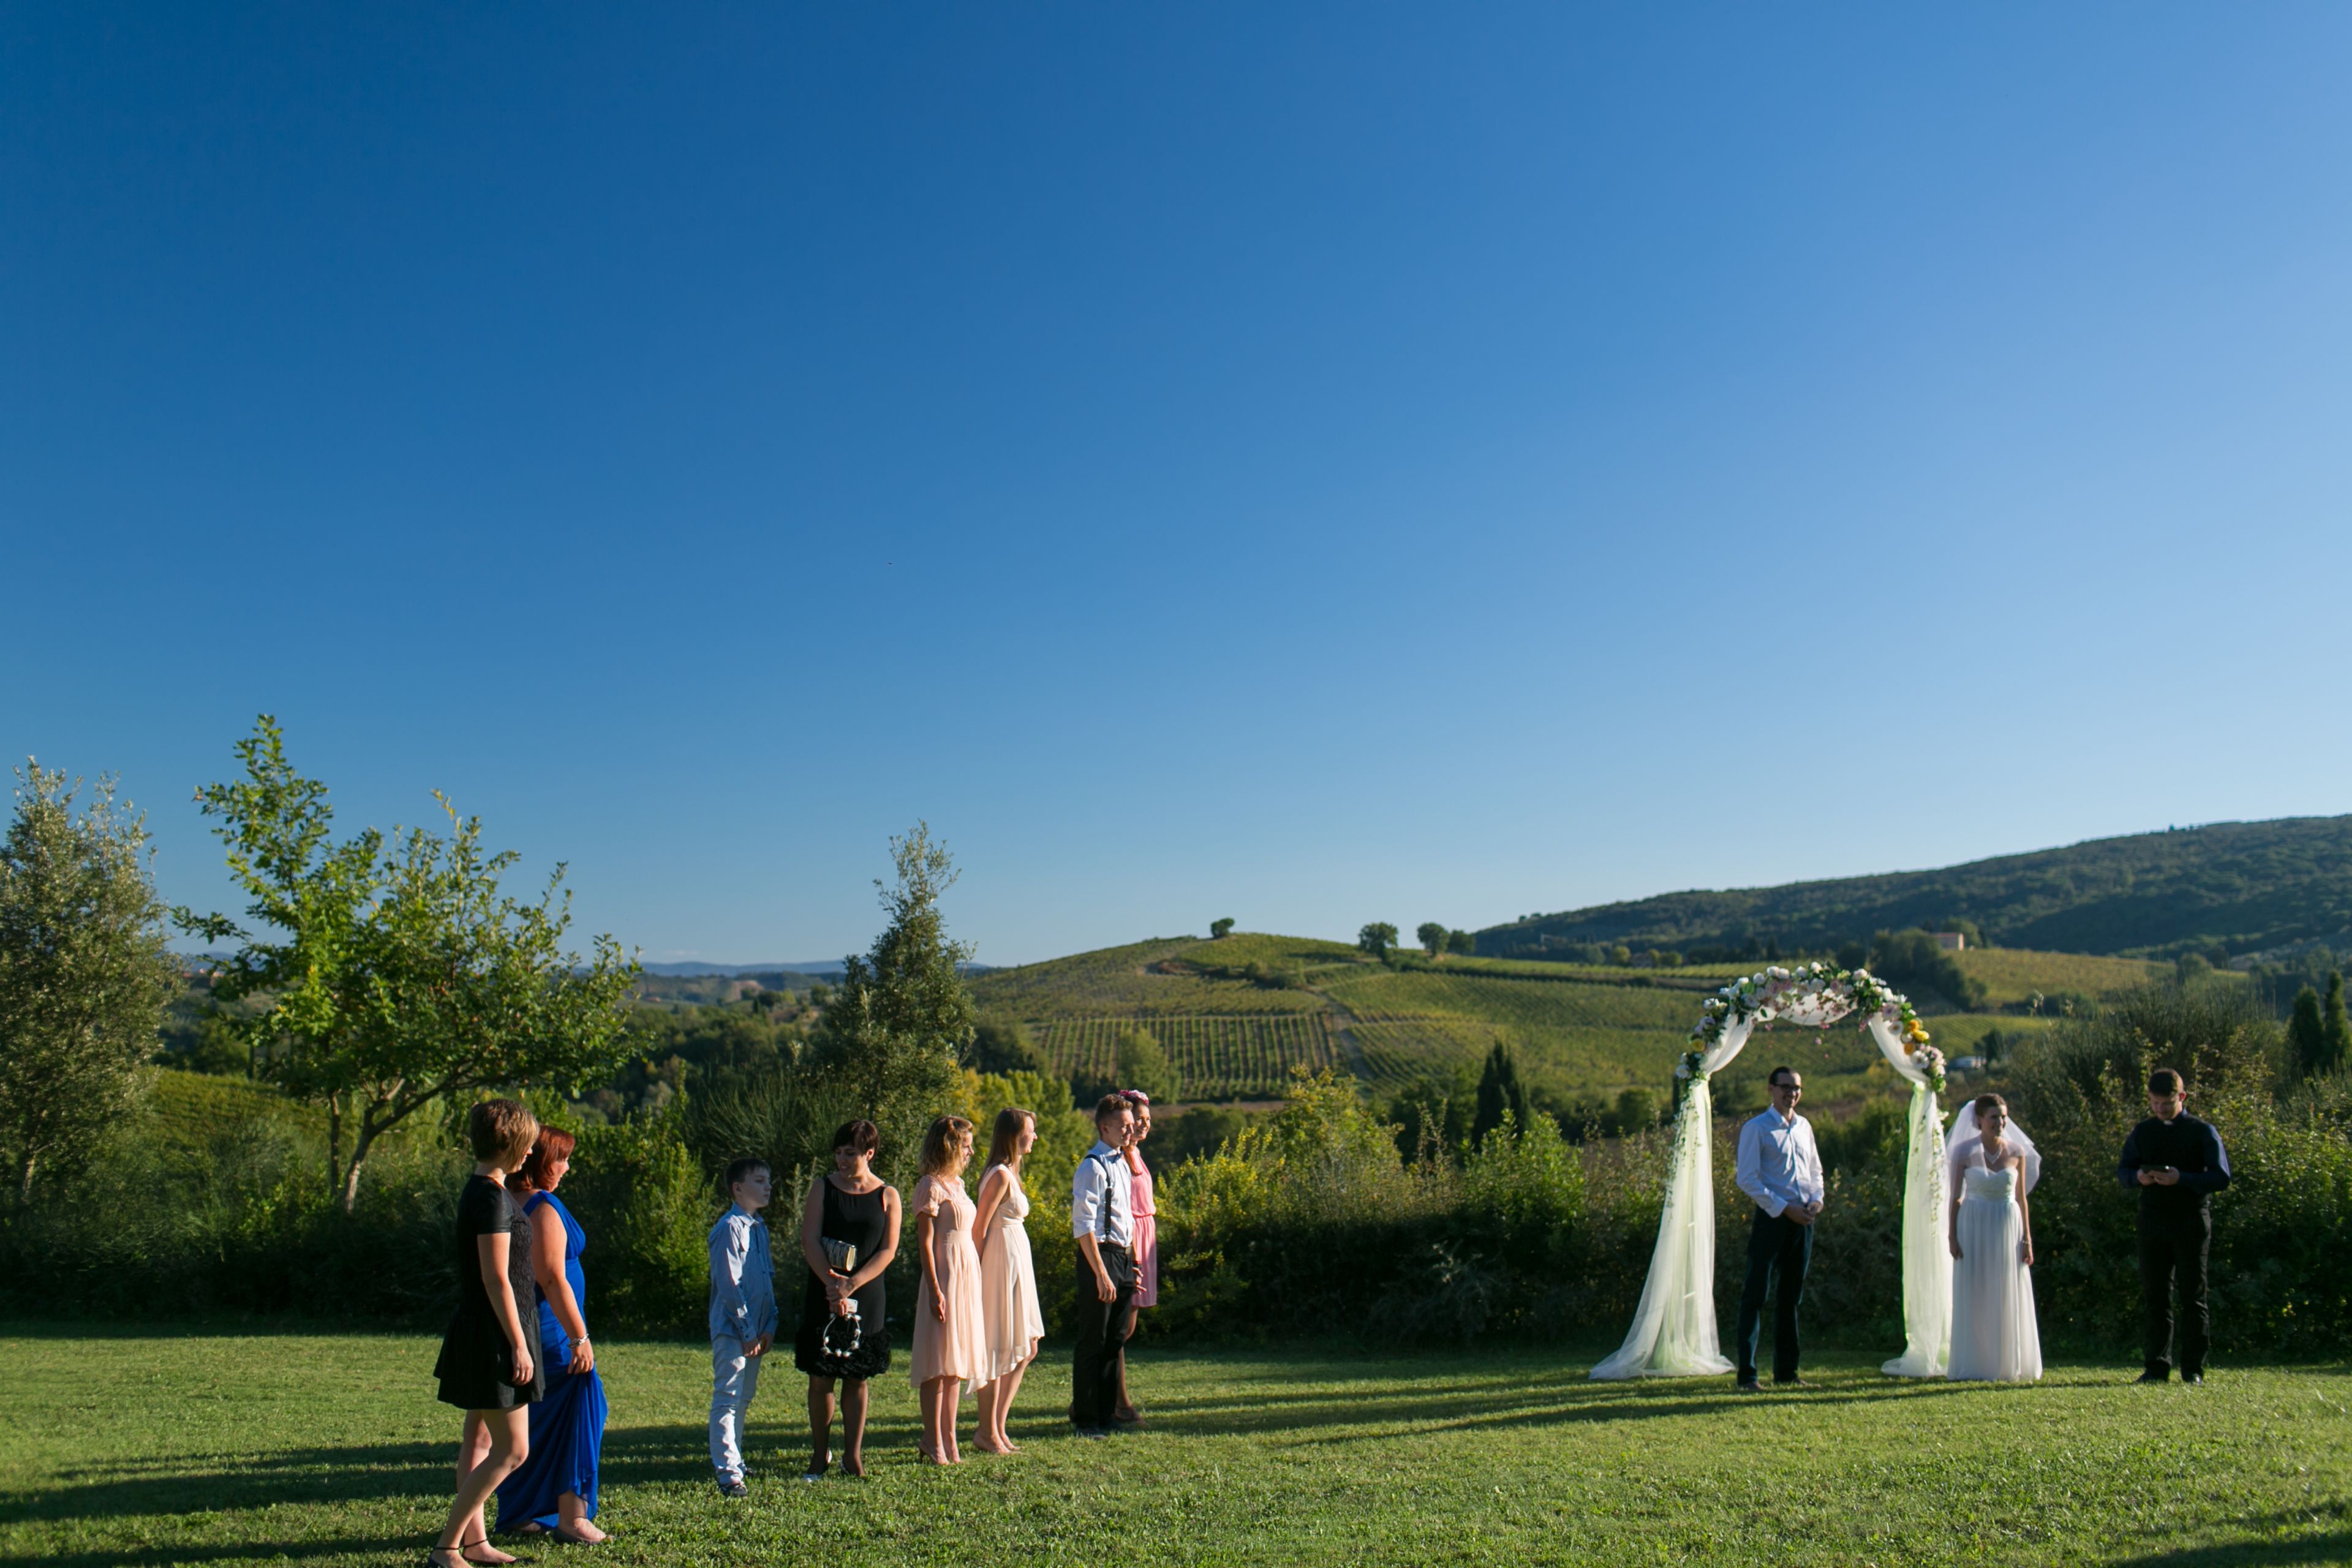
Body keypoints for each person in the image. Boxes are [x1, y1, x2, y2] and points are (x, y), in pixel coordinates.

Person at [428, 1099, 544, 1568]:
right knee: (513, 1450)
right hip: (495, 1335)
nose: (530, 1155)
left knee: (477, 1440)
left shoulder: (480, 1189)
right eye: (528, 1146)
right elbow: (497, 1278)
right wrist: (518, 1343)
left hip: (482, 1329)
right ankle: (446, 1548)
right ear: (512, 1145)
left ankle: (475, 1544)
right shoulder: (492, 1198)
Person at [493, 1128, 610, 1542]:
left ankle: (521, 1512)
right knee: (584, 1406)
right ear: (544, 1162)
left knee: (537, 1421)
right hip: (553, 1331)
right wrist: (580, 1337)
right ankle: (573, 1518)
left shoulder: (506, 1201)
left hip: (532, 1329)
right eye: (562, 1159)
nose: (567, 1167)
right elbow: (552, 1277)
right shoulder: (543, 1206)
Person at [792, 1118, 900, 1480]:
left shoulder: (889, 1196)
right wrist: (833, 1285)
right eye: (838, 1152)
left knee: (858, 1378)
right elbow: (810, 1240)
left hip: (867, 1295)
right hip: (824, 1289)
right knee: (821, 1376)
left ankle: (852, 1457)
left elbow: (888, 1251)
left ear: (869, 1153)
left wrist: (852, 1286)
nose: (841, 1159)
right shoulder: (822, 1188)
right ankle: (819, 1455)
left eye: (850, 1153)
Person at [2118, 1068, 2233, 1384]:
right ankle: (2156, 1367)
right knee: (2155, 1296)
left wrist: (2183, 1178)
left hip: (2191, 1220)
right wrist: (2137, 1177)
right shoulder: (2143, 1132)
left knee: (2193, 1296)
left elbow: (2221, 1177)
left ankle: (2193, 1369)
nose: (2160, 1110)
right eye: (2154, 1104)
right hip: (2152, 1220)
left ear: (2182, 1097)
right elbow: (2123, 1170)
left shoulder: (2202, 1131)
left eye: (2166, 1104)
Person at [1732, 1066, 1823, 1391]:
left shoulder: (1804, 1127)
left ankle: (1787, 1372)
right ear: (1770, 1089)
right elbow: (1747, 1179)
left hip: (1803, 1221)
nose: (1792, 1093)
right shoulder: (1756, 1128)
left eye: (1796, 1088)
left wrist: (1816, 1201)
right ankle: (1748, 1376)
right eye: (1785, 1087)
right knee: (1755, 1296)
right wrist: (1785, 1209)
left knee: (1790, 1298)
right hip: (1772, 1220)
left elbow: (1815, 1170)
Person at [1945, 1093, 2043, 1383]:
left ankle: (2006, 1361)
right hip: (1973, 1224)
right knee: (1976, 1290)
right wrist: (1952, 1236)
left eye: (2003, 1117)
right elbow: (1954, 1197)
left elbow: (2022, 1198)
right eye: (1993, 1117)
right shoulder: (1963, 1152)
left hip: (2007, 1224)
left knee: (2006, 1288)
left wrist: (2028, 1239)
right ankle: (1977, 1361)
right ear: (1979, 1121)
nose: (2000, 1122)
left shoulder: (2017, 1151)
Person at [910, 1114, 987, 1464]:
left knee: (955, 1362)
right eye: (967, 1146)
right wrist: (934, 1288)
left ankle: (950, 1438)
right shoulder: (930, 1186)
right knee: (938, 1361)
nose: (971, 1153)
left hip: (966, 1273)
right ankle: (933, 1439)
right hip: (943, 1273)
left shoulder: (957, 1185)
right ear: (951, 1147)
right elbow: (925, 1243)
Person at [973, 1106, 1044, 1455]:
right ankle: (987, 1431)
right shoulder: (999, 1175)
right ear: (1015, 1135)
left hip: (1017, 1261)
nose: (1035, 1137)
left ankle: (997, 1426)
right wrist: (980, 1273)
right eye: (1031, 1131)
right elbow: (979, 1229)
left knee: (1026, 1347)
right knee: (1000, 1347)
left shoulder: (1010, 1173)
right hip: (1000, 1264)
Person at [707, 1157, 778, 1497]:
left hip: (755, 1332)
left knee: (744, 1397)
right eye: (760, 1181)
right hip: (732, 1330)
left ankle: (736, 1457)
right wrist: (747, 1330)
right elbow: (728, 1283)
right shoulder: (730, 1228)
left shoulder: (759, 1228)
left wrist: (770, 1325)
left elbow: (767, 1280)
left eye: (768, 1182)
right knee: (728, 1397)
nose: (768, 1187)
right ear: (738, 1188)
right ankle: (728, 1472)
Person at [1069, 1093, 1137, 1436]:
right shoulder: (1091, 1166)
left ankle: (1107, 1414)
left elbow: (1126, 1218)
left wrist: (1132, 1263)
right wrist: (1100, 1273)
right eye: (1124, 1126)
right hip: (1101, 1256)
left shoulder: (1123, 1163)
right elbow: (1084, 1226)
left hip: (1123, 1257)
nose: (1130, 1131)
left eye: (1132, 1125)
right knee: (1092, 1340)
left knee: (1115, 1340)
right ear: (1104, 1127)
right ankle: (1085, 1418)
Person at [1114, 1090, 1158, 1426]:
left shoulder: (1136, 1154)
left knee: (1127, 1327)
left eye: (1147, 1120)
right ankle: (1120, 1403)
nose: (1143, 1125)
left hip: (1146, 1238)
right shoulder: (1119, 1159)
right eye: (1138, 1119)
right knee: (1121, 1328)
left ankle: (1105, 1398)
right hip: (1132, 1244)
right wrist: (1133, 1257)